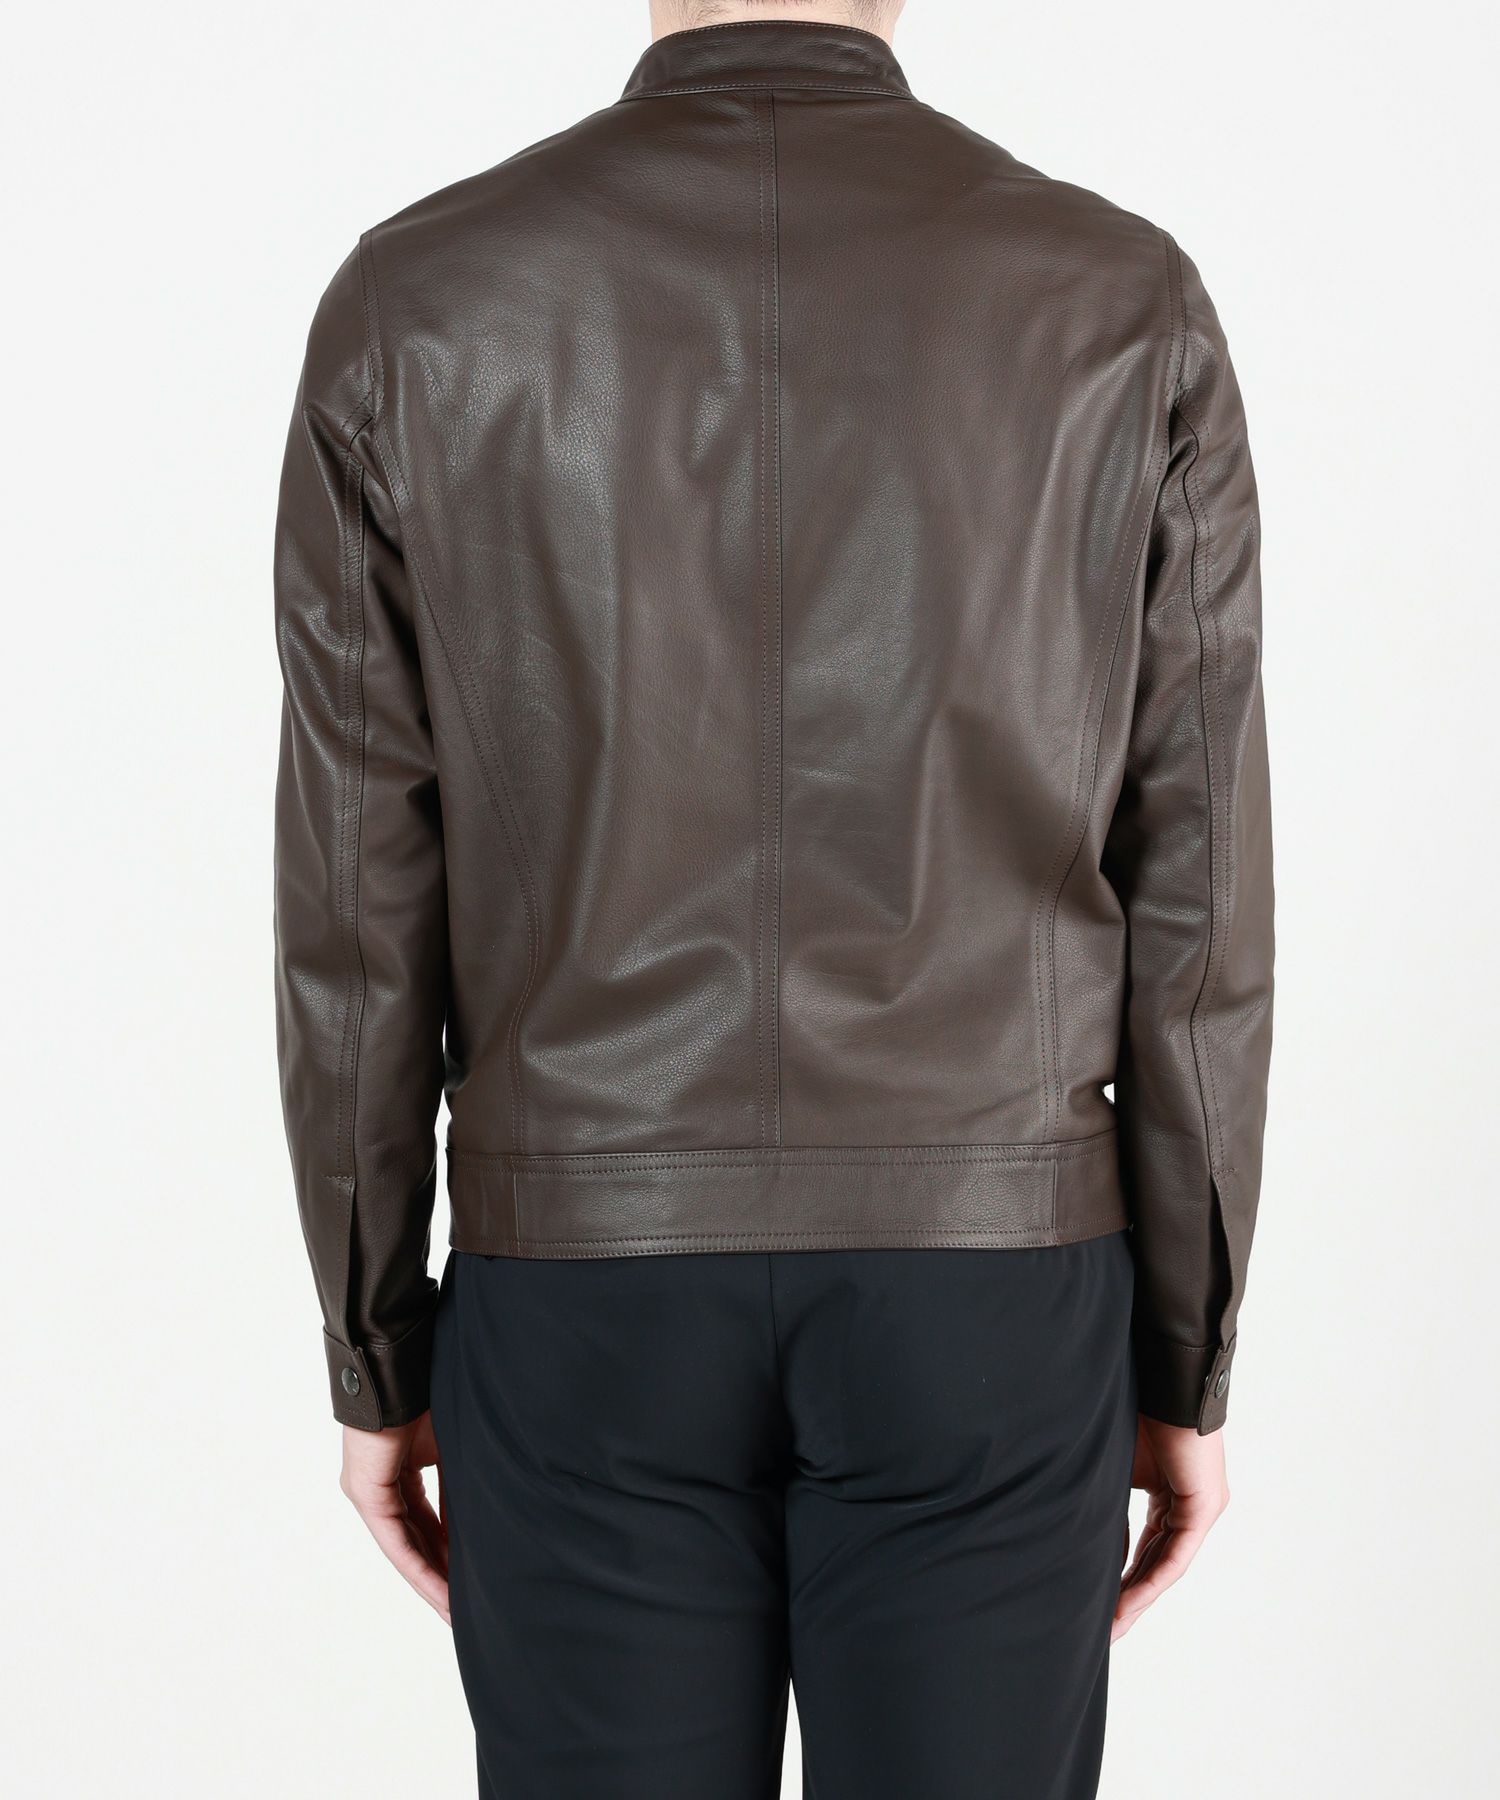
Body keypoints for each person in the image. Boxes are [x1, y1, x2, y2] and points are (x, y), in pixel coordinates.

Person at [273, 2, 1273, 1793]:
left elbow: (354, 909)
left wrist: (377, 1348)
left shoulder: (415, 305)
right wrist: (1181, 1354)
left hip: (579, 1285)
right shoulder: (1119, 303)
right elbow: (1197, 903)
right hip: (988, 1284)